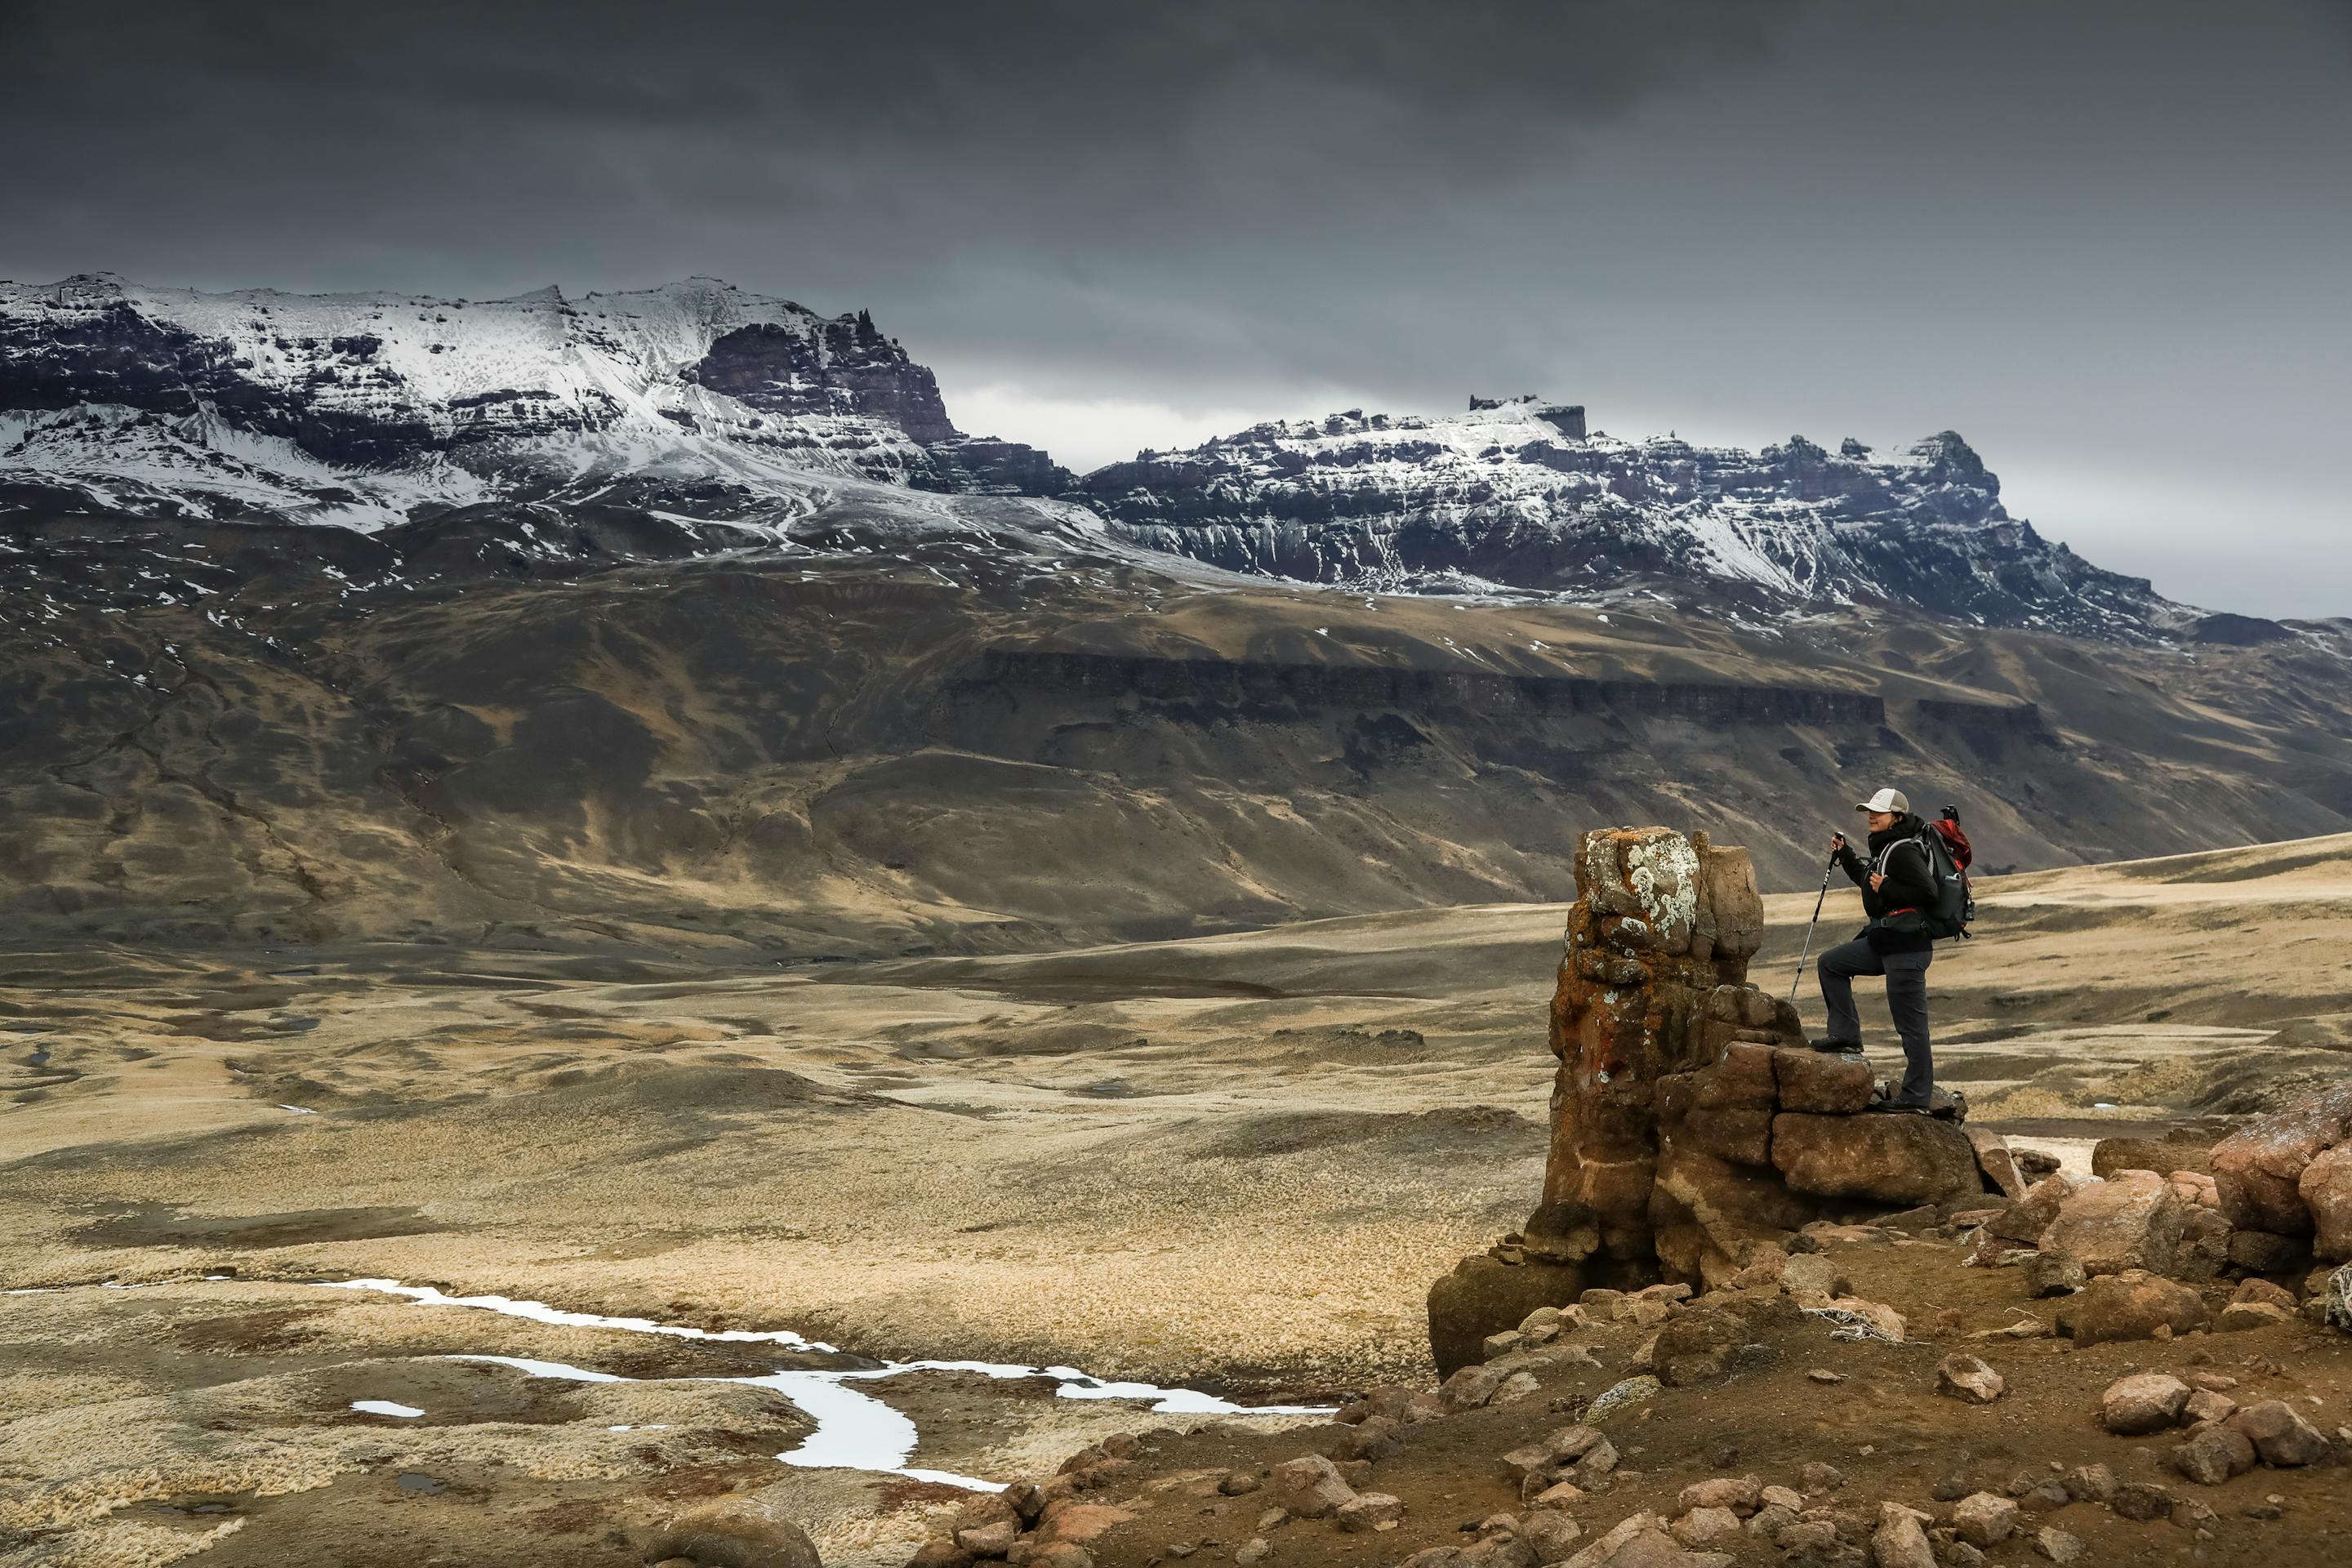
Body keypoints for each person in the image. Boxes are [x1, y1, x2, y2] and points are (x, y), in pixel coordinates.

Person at [1811, 786, 1953, 1115]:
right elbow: (1868, 878)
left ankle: (1916, 1097)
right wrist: (1846, 855)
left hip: (1907, 949)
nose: (1871, 817)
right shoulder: (1888, 847)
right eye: (1870, 812)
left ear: (1897, 817)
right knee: (1831, 964)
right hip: (1886, 942)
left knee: (1911, 1028)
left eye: (1878, 812)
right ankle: (1845, 1035)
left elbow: (1926, 892)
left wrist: (1886, 886)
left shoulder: (1903, 851)